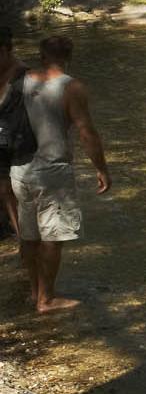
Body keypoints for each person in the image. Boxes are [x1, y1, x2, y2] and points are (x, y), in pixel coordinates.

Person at [14, 36, 109, 314]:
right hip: (53, 170)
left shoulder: (25, 80)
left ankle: (35, 293)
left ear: (41, 55)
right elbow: (86, 132)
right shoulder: (72, 87)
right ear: (69, 57)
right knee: (52, 238)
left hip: (20, 169)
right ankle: (47, 299)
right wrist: (101, 169)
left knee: (29, 237)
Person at [0, 27, 26, 238]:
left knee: (18, 190)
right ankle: (19, 233)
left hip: (21, 143)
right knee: (5, 189)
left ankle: (25, 236)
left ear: (6, 50)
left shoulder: (24, 76)